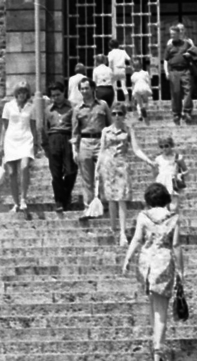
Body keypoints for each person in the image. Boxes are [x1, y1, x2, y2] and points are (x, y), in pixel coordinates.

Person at [122, 181, 183, 361]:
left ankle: (156, 341)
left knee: (152, 304)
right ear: (165, 199)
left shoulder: (143, 216)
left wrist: (127, 259)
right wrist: (181, 269)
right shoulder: (173, 217)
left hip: (146, 263)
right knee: (161, 309)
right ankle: (158, 348)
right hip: (164, 263)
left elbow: (137, 239)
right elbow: (176, 245)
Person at [96, 104, 146, 246]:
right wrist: (97, 169)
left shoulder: (128, 130)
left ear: (124, 115)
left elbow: (136, 149)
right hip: (108, 166)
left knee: (121, 199)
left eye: (119, 113)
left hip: (122, 165)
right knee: (111, 199)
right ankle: (113, 227)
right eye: (114, 113)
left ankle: (123, 232)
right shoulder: (106, 131)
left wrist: (148, 160)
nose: (117, 116)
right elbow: (101, 150)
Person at [0, 82, 40, 214]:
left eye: (25, 92)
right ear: (16, 93)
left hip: (26, 139)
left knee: (24, 166)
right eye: (20, 92)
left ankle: (23, 199)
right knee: (11, 173)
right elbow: (4, 126)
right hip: (11, 140)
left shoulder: (31, 107)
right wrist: (1, 143)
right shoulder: (8, 106)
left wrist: (36, 142)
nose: (22, 94)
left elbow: (33, 126)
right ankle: (15, 202)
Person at [71, 79, 110, 214]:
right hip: (85, 142)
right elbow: (75, 131)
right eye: (82, 89)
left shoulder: (103, 105)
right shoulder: (77, 109)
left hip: (101, 141)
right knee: (87, 177)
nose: (84, 91)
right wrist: (74, 150)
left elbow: (109, 125)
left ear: (93, 89)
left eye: (86, 88)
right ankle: (88, 206)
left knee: (103, 174)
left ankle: (103, 204)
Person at [40, 83, 78, 210]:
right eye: (53, 96)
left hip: (68, 137)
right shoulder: (48, 110)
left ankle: (66, 194)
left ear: (64, 93)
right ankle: (59, 201)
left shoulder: (73, 107)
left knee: (71, 170)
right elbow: (44, 129)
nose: (55, 98)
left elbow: (77, 126)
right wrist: (45, 146)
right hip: (53, 139)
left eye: (58, 95)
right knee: (56, 173)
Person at [162, 24, 197, 124]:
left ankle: (187, 111)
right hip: (174, 71)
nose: (172, 36)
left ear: (179, 34)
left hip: (185, 70)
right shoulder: (169, 46)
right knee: (176, 92)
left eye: (174, 34)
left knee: (188, 90)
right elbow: (165, 60)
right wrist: (166, 71)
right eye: (171, 34)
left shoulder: (186, 44)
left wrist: (190, 54)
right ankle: (176, 113)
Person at [151, 133, 186, 212]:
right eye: (161, 146)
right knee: (161, 207)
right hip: (161, 182)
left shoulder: (177, 157)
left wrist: (181, 175)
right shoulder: (158, 159)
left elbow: (186, 170)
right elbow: (155, 174)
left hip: (172, 182)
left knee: (173, 207)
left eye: (166, 146)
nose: (164, 148)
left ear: (171, 145)